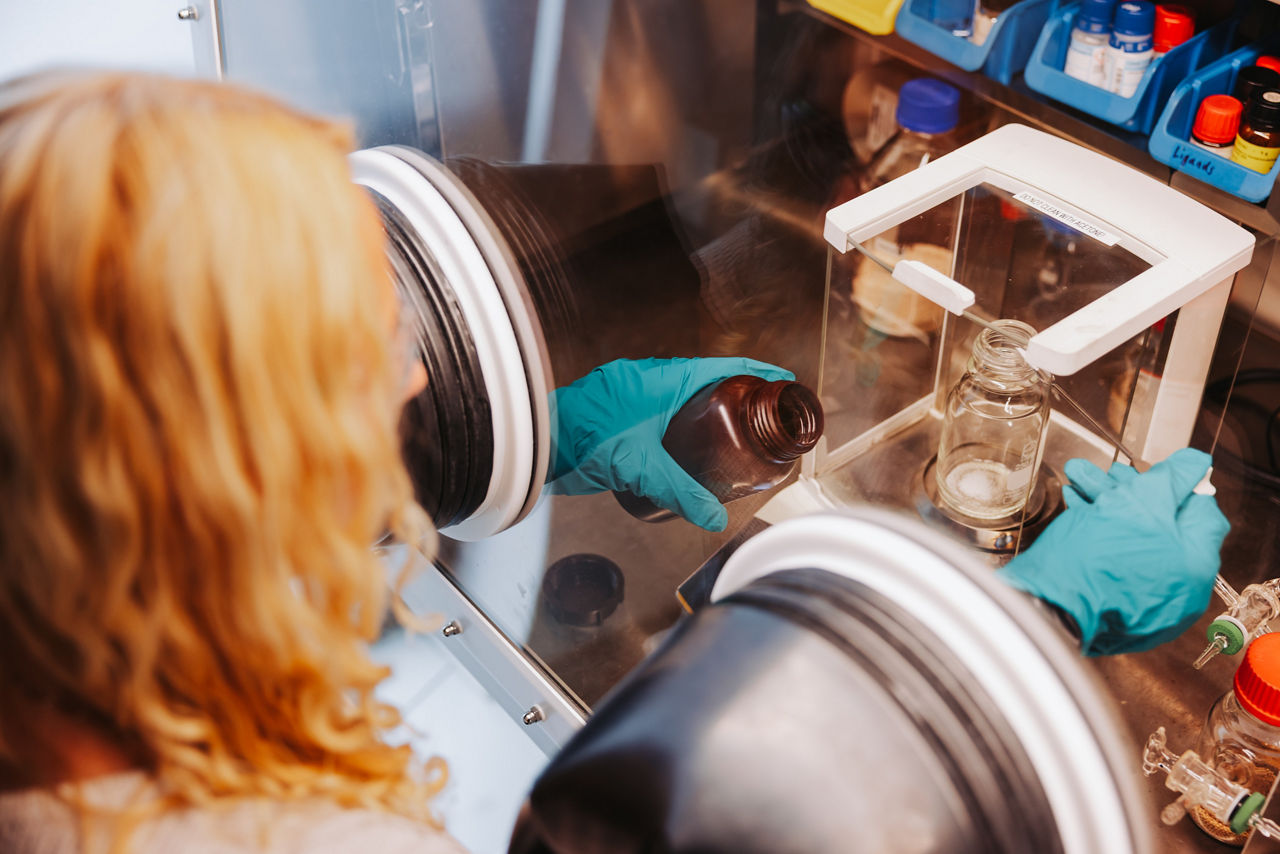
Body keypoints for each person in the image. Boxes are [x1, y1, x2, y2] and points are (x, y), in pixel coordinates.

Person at [0, 70, 1229, 854]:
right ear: (211, 464)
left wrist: (562, 426)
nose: (422, 374)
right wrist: (1009, 625)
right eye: (361, 350)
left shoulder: (77, 627)